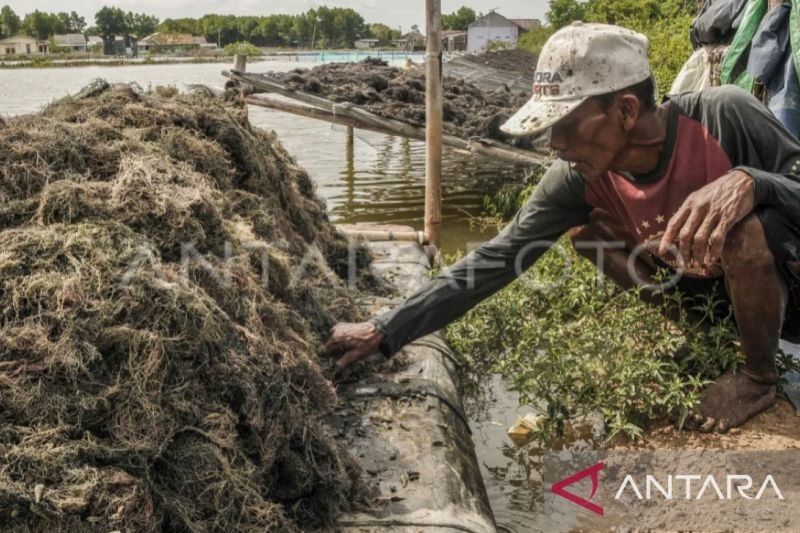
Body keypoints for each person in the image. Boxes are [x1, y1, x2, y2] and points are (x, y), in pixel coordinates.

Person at [322, 22, 800, 433]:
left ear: (626, 111)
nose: (553, 143)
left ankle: (757, 379)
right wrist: (385, 330)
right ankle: (706, 338)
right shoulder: (576, 179)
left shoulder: (724, 115)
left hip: (790, 297)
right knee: (588, 237)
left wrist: (752, 182)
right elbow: (498, 257)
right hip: (710, 295)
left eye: (565, 124)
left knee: (745, 230)